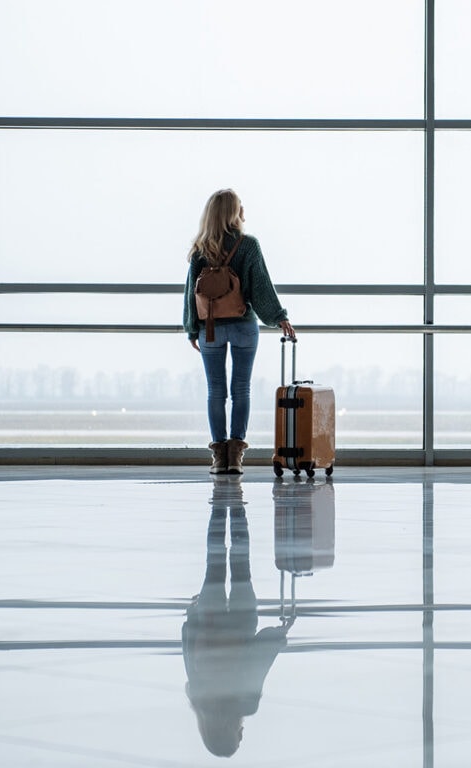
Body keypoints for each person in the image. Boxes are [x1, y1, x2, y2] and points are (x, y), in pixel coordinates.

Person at [183, 189, 295, 474]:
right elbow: (261, 287)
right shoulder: (248, 245)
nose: (244, 208)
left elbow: (189, 293)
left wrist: (191, 328)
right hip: (244, 325)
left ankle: (219, 457)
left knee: (216, 391)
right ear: (233, 212)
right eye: (239, 205)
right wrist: (279, 317)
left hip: (210, 329)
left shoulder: (200, 248)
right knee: (241, 389)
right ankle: (235, 456)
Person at [182, 478, 293, 757]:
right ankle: (222, 508)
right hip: (209, 617)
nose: (242, 734)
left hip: (242, 623)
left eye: (237, 738)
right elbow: (188, 651)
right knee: (214, 562)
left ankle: (238, 510)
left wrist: (279, 637)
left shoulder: (246, 704)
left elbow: (259, 661)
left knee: (241, 566)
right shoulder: (197, 696)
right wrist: (191, 617)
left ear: (226, 732)